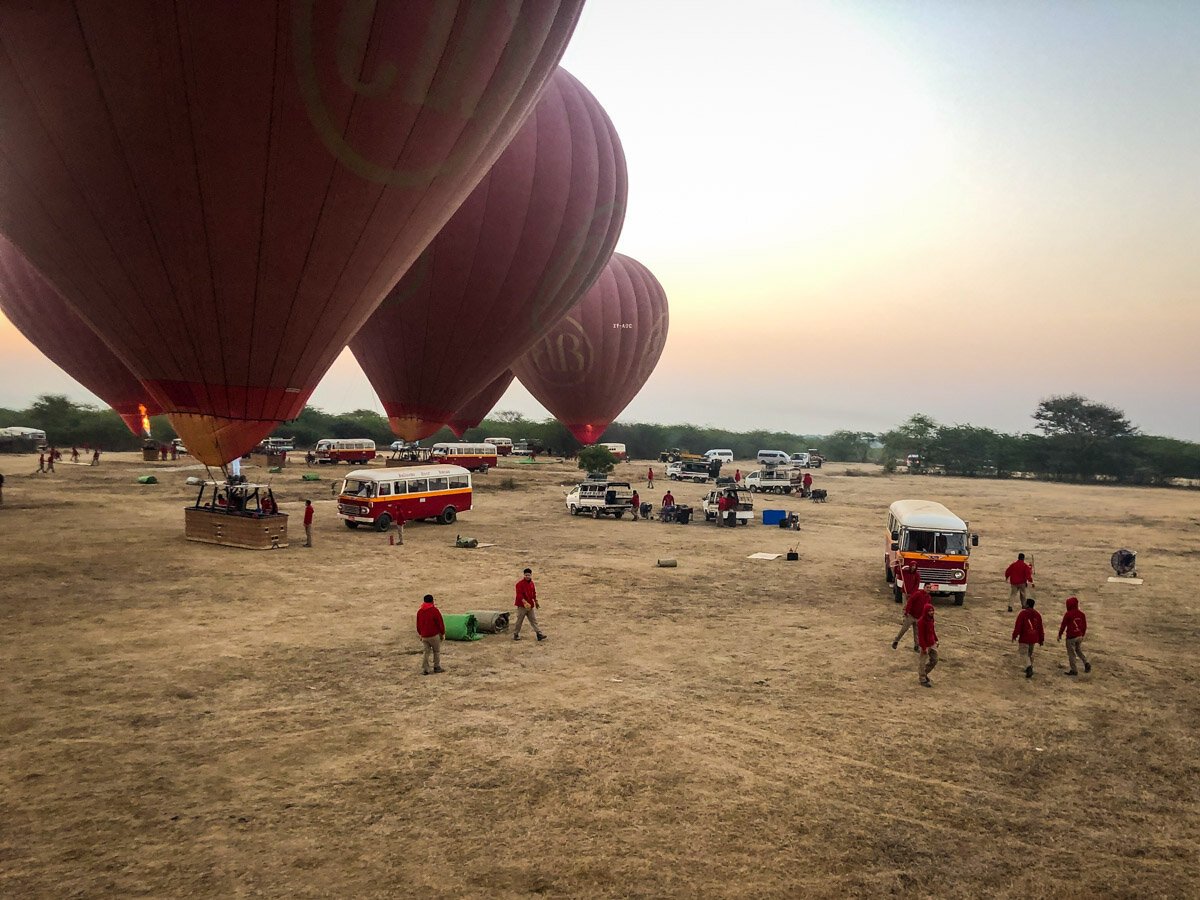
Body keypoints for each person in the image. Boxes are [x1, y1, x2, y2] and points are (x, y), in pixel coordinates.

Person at [1057, 596, 1091, 676]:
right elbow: (1084, 626)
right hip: (1079, 636)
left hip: (1071, 637)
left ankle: (1074, 670)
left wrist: (1060, 634)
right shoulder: (1082, 614)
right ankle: (1086, 663)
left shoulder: (1068, 614)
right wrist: (1082, 634)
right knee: (1078, 650)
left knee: (1071, 654)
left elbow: (1063, 625)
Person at [1012, 597, 1045, 678]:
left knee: (1024, 653)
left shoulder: (1023, 613)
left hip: (1025, 637)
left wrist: (1015, 635)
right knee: (1029, 653)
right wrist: (1041, 639)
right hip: (1033, 637)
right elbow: (1040, 628)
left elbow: (1018, 626)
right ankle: (1029, 667)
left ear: (1027, 604)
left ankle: (1029, 667)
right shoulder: (1037, 614)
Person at [513, 567, 546, 641]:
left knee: (533, 620)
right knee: (519, 621)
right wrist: (524, 602)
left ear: (531, 575)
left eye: (529, 575)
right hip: (522, 606)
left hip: (530, 605)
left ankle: (539, 634)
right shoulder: (519, 584)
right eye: (526, 575)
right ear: (524, 575)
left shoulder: (532, 583)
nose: (527, 576)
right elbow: (519, 595)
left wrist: (536, 601)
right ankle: (516, 634)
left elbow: (533, 593)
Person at [893, 587, 930, 652]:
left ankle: (916, 646)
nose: (928, 589)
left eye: (930, 588)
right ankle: (896, 641)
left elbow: (927, 608)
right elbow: (910, 601)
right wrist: (907, 611)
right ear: (924, 587)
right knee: (904, 629)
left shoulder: (928, 597)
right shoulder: (918, 594)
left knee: (917, 633)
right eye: (927, 587)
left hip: (919, 617)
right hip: (911, 615)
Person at [416, 594, 446, 675]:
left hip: (424, 636)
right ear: (432, 601)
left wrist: (421, 634)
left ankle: (425, 669)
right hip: (433, 635)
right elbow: (440, 623)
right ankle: (437, 667)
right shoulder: (434, 611)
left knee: (426, 652)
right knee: (436, 651)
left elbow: (418, 625)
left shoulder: (420, 611)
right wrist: (442, 633)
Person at [916, 603, 938, 687]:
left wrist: (936, 639)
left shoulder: (931, 619)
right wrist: (924, 647)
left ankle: (924, 673)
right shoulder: (921, 622)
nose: (932, 612)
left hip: (932, 643)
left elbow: (932, 630)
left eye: (932, 610)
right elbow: (921, 636)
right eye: (930, 611)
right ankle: (922, 679)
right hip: (925, 645)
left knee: (935, 659)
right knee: (922, 662)